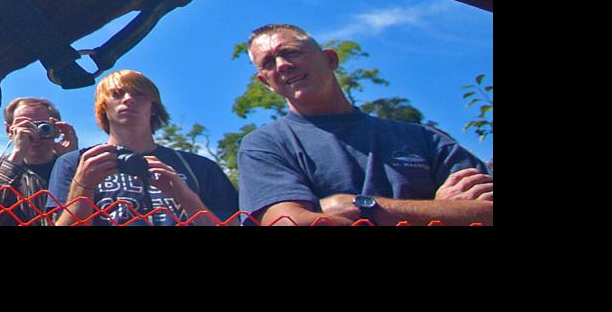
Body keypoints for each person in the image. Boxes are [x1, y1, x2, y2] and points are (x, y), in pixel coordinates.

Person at [237, 24, 494, 226]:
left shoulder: (425, 138)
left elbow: (488, 211)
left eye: (290, 52)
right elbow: (290, 222)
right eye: (268, 63)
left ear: (330, 60)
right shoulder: (265, 146)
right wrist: (442, 214)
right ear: (266, 82)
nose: (282, 65)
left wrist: (358, 206)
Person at [49, 71, 239, 226]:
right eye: (117, 94)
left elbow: (233, 222)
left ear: (154, 107)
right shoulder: (76, 162)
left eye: (139, 94)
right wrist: (83, 187)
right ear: (103, 107)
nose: (128, 99)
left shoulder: (199, 167)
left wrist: (187, 198)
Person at [0, 97, 79, 226]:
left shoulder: (77, 165)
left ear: (56, 129)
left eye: (42, 126)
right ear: (9, 131)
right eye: (26, 126)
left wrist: (72, 161)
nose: (34, 133)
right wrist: (17, 155)